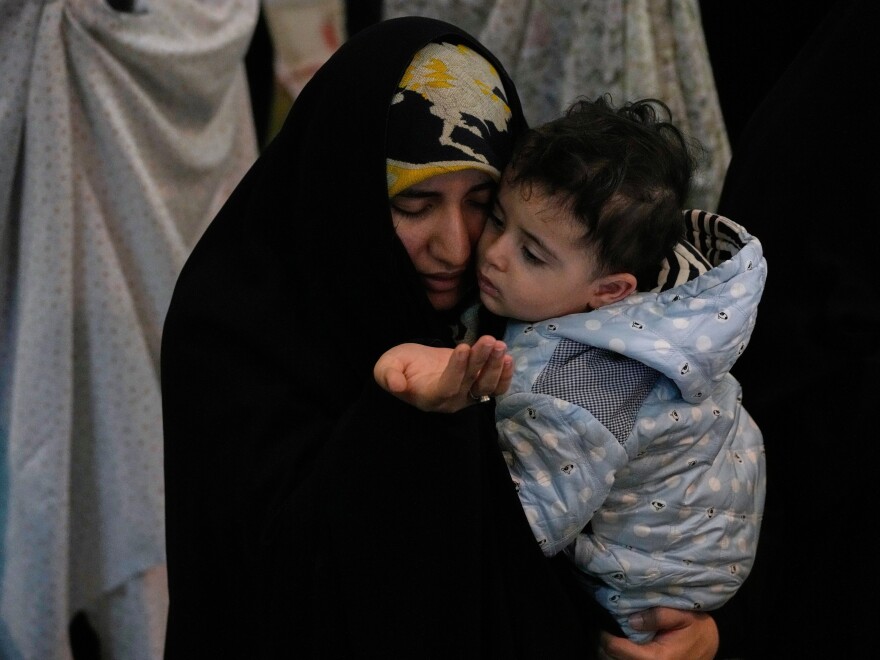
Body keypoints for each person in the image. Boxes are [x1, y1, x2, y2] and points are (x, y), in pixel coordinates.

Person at [160, 16, 720, 658]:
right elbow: (268, 594)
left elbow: (632, 500)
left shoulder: (534, 300)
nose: (458, 249)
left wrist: (685, 621)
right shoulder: (236, 331)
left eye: (483, 201)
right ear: (348, 192)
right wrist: (403, 419)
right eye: (412, 206)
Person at [376, 95, 767, 643]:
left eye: (533, 255)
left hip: (641, 598)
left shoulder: (585, 385)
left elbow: (518, 526)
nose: (490, 253)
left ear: (609, 292)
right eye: (497, 217)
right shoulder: (640, 307)